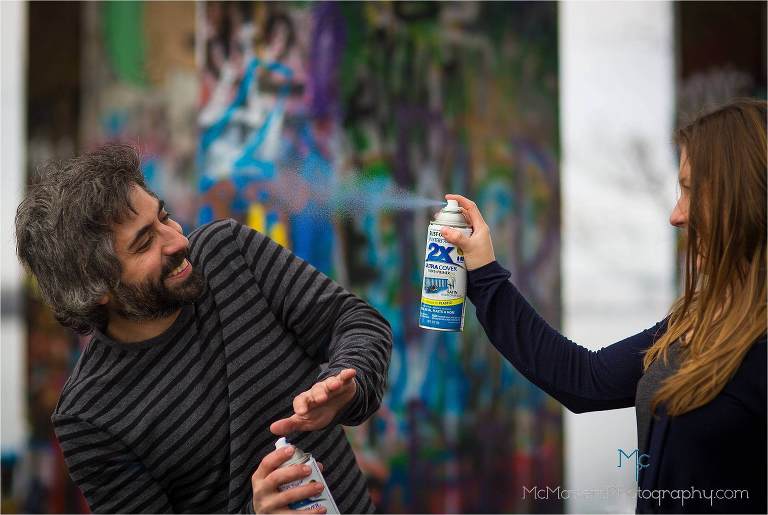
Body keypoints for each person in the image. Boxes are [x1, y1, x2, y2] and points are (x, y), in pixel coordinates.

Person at [15, 144, 392, 514]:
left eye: (163, 217)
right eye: (145, 241)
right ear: (95, 286)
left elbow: (357, 321)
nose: (178, 240)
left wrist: (348, 387)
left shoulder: (229, 252)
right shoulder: (88, 416)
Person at [440, 98, 766, 514]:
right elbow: (584, 380)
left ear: (743, 197)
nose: (676, 215)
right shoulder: (701, 316)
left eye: (688, 190)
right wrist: (484, 273)